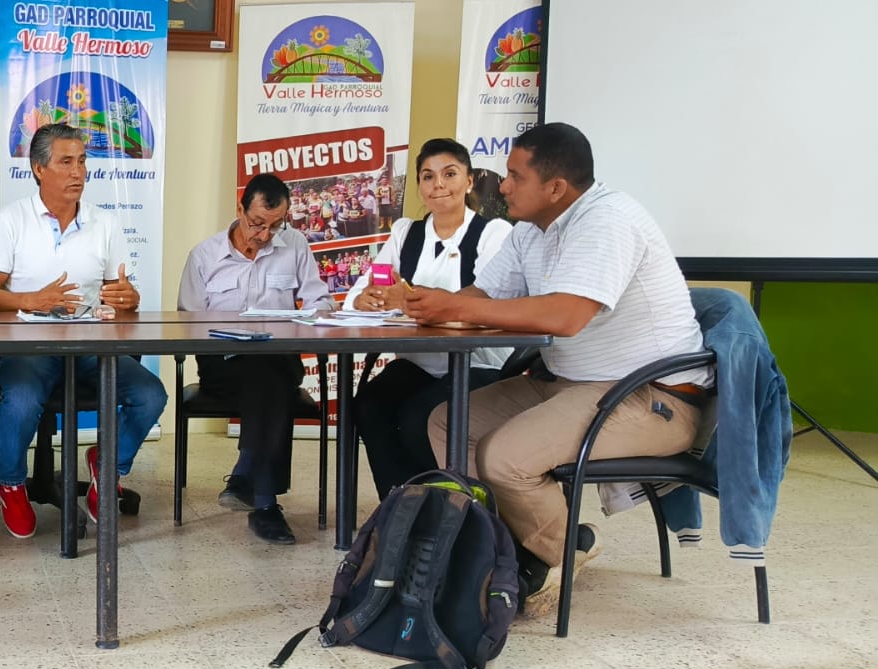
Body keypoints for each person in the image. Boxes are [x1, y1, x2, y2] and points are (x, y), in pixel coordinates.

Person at [406, 123, 712, 616]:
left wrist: (454, 307)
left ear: (555, 188)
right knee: (449, 421)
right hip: (571, 382)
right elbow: (481, 298)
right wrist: (415, 302)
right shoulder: (530, 230)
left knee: (504, 457)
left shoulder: (607, 220)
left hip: (651, 397)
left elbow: (566, 316)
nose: (502, 186)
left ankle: (562, 550)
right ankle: (499, 549)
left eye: (515, 176)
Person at [0, 122, 168, 538]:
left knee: (151, 394)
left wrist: (128, 297)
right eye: (66, 162)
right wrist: (31, 300)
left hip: (90, 344)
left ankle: (108, 465)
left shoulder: (105, 223)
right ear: (39, 168)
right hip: (29, 344)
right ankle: (11, 482)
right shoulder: (10, 220)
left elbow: (121, 292)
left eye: (82, 161)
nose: (78, 172)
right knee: (22, 399)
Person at [345, 138, 514, 500]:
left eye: (449, 174)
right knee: (371, 405)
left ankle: (449, 506)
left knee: (418, 419)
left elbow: (486, 303)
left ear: (469, 181)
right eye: (428, 176)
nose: (438, 184)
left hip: (478, 364)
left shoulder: (494, 233)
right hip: (420, 363)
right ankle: (400, 506)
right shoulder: (405, 233)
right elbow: (362, 292)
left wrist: (407, 299)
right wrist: (365, 298)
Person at [178, 173, 336, 543]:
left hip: (278, 358)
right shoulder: (204, 256)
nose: (265, 235)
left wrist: (313, 316)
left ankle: (246, 476)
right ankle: (264, 504)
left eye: (275, 225)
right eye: (257, 223)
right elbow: (187, 322)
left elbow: (321, 301)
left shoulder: (295, 245)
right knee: (268, 382)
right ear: (240, 209)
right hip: (223, 363)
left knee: (269, 372)